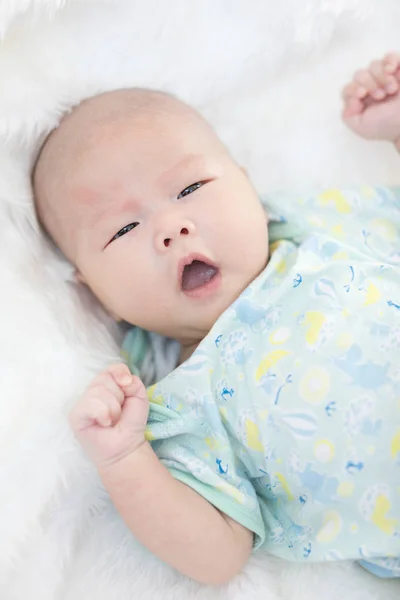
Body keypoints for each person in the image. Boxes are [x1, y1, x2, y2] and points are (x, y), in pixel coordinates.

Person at [32, 52, 400, 585]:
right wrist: (124, 460)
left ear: (247, 186)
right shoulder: (180, 404)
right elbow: (216, 558)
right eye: (123, 229)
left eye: (190, 189)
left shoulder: (318, 227)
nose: (172, 226)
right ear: (96, 293)